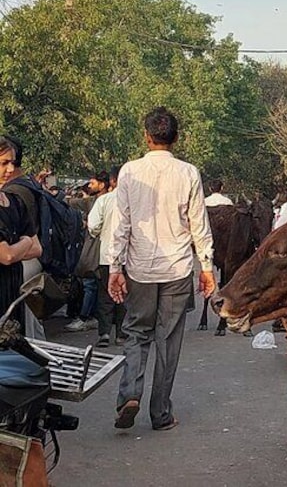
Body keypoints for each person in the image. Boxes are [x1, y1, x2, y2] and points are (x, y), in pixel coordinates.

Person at [106, 107, 215, 431]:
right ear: (176, 138)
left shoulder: (129, 172)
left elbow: (121, 223)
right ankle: (161, 413)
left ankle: (129, 394)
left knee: (136, 333)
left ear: (146, 136)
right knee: (168, 340)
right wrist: (206, 267)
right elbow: (200, 224)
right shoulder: (188, 173)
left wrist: (115, 267)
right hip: (178, 268)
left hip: (139, 268)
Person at [0, 137, 41, 329]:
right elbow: (6, 256)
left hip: (13, 291)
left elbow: (37, 248)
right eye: (3, 163)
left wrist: (16, 247)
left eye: (12, 162)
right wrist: (25, 241)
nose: (10, 169)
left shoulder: (15, 201)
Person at [65, 170, 111, 333]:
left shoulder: (101, 202)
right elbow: (69, 202)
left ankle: (86, 318)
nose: (90, 185)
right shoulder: (93, 201)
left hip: (97, 247)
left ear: (102, 184)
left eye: (93, 183)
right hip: (101, 247)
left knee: (91, 283)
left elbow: (94, 226)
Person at [88, 165, 127, 347]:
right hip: (130, 257)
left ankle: (104, 334)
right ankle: (122, 333)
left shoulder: (104, 201)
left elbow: (93, 225)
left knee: (105, 294)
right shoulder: (134, 200)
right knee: (125, 294)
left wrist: (101, 233)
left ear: (112, 180)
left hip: (107, 255)